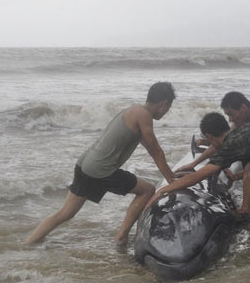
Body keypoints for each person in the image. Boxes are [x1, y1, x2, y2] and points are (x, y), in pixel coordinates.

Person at [26, 82, 176, 245]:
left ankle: (29, 243)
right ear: (164, 103)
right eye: (168, 108)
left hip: (85, 164)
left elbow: (150, 148)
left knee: (65, 213)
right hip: (101, 169)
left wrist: (171, 176)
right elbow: (156, 152)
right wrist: (173, 182)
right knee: (147, 190)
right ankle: (121, 236)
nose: (166, 112)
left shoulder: (133, 111)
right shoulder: (143, 115)